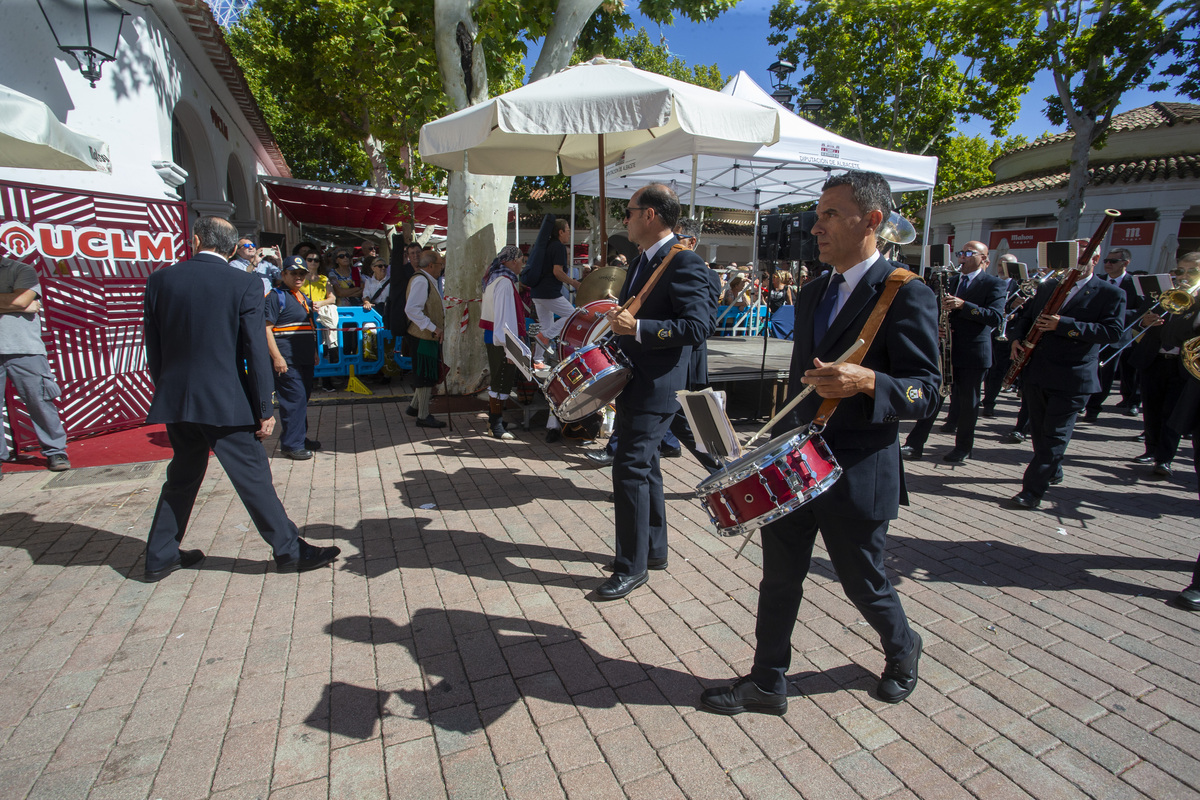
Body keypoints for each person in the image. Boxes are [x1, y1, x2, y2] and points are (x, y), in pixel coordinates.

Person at [700, 170, 939, 715]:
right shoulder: (811, 293)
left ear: (872, 220)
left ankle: (903, 649)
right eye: (818, 213)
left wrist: (871, 381)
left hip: (858, 467)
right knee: (779, 577)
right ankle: (767, 680)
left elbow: (928, 392)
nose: (816, 226)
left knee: (864, 581)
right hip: (797, 465)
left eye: (831, 213)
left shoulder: (905, 293)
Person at [141, 216, 339, 581]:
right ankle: (289, 549)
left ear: (196, 240)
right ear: (233, 248)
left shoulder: (160, 280)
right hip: (224, 400)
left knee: (182, 476)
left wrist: (166, 389)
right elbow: (254, 348)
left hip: (177, 397)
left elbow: (153, 346)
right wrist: (264, 407)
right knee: (253, 476)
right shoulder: (244, 283)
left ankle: (160, 554)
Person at [599, 185, 716, 601]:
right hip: (639, 376)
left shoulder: (684, 262)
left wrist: (641, 329)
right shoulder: (642, 261)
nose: (624, 219)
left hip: (660, 382)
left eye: (628, 212)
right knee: (645, 466)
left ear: (649, 215)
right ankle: (653, 551)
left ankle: (631, 567)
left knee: (629, 467)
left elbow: (699, 327)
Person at [1005, 240, 1125, 509]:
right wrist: (1016, 338)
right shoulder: (1049, 286)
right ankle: (1053, 469)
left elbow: (1113, 333)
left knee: (1054, 435)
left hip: (1073, 376)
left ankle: (1032, 491)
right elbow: (1026, 317)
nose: (1077, 265)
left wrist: (1065, 325)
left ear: (1095, 260)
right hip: (1038, 372)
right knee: (1039, 432)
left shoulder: (1109, 293)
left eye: (1083, 259)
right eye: (1074, 259)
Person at [901, 241, 1005, 462]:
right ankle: (915, 444)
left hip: (973, 353)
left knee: (968, 404)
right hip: (946, 350)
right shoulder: (951, 280)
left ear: (984, 258)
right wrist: (934, 327)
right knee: (934, 398)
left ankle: (963, 448)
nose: (963, 258)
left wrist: (963, 306)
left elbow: (995, 317)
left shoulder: (994, 284)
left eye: (969, 253)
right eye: (961, 253)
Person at [1128, 254, 1200, 478]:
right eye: (1180, 271)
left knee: (1173, 412)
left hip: (1184, 365)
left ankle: (1165, 458)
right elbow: (1139, 321)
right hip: (1155, 359)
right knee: (1152, 408)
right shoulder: (1162, 293)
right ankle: (1150, 450)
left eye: (1191, 271)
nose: (1184, 276)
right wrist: (1144, 321)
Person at [0, 256, 71, 478]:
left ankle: (56, 451)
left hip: (25, 348)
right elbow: (22, 304)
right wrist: (16, 302)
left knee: (40, 402)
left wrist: (21, 302)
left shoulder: (21, 270)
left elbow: (23, 300)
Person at [265, 257, 321, 460]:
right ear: (284, 274)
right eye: (293, 273)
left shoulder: (302, 297)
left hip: (304, 358)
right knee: (294, 400)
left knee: (301, 399)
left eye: (301, 273)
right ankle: (291, 444)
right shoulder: (275, 296)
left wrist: (313, 351)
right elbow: (266, 329)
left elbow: (309, 328)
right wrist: (277, 357)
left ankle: (299, 438)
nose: (298, 277)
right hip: (287, 360)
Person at [1083, 248, 1142, 422]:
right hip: (1096, 333)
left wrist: (1116, 314)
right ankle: (1087, 405)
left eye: (1113, 261)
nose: (1108, 264)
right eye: (1106, 261)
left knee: (1109, 374)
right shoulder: (1098, 281)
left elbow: (1141, 310)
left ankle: (1097, 407)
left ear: (1125, 263)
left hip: (1120, 336)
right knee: (1092, 371)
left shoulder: (1133, 283)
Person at [480, 245, 526, 440]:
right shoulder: (505, 283)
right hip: (500, 339)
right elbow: (505, 319)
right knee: (501, 380)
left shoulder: (494, 279)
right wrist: (510, 350)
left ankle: (496, 419)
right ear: (513, 261)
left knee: (501, 379)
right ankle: (495, 425)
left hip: (495, 337)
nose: (523, 266)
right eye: (522, 261)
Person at [405, 251, 447, 429]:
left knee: (428, 372)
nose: (441, 268)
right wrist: (434, 327)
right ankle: (423, 415)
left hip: (427, 335)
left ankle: (415, 407)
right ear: (431, 265)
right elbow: (412, 309)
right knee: (425, 374)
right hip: (423, 335)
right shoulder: (422, 280)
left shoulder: (427, 279)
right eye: (439, 265)